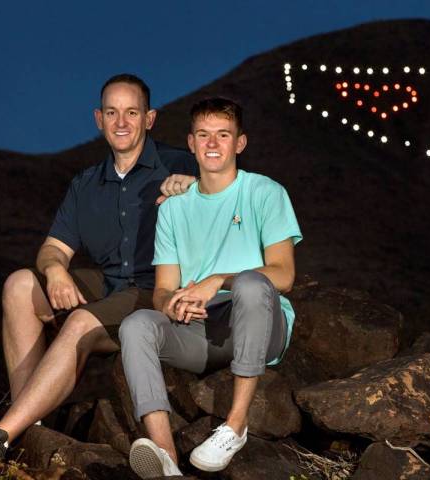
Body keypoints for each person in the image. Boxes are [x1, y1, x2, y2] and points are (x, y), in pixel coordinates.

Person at [0, 73, 198, 460]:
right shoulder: (86, 184)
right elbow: (52, 249)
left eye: (132, 112)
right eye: (112, 112)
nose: (121, 122)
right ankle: (32, 427)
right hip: (109, 285)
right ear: (99, 119)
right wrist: (56, 270)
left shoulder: (180, 163)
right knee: (19, 285)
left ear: (150, 119)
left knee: (80, 322)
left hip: (155, 292)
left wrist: (195, 186)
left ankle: (1, 435)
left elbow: (229, 195)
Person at [119, 97, 302, 478]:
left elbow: (284, 274)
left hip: (260, 324)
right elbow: (163, 290)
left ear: (240, 143)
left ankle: (235, 427)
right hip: (203, 329)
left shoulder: (265, 193)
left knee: (252, 283)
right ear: (191, 143)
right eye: (204, 135)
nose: (213, 144)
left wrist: (217, 281)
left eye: (223, 135)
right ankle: (167, 459)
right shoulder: (172, 208)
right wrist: (174, 306)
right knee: (136, 325)